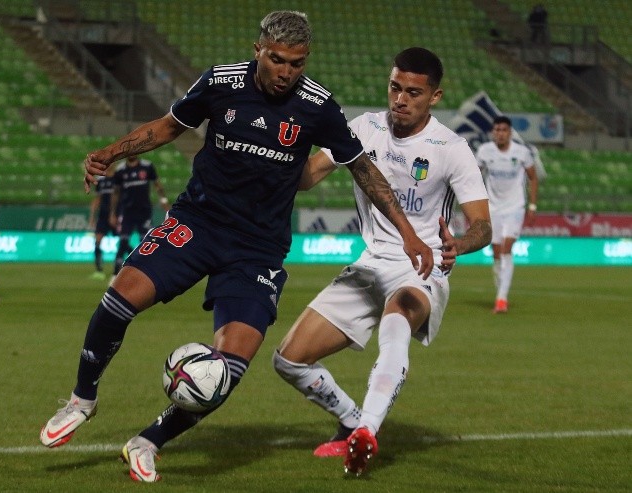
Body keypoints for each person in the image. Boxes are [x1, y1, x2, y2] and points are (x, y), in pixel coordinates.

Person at [39, 11, 434, 483]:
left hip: (258, 249)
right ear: (258, 50)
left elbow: (363, 169)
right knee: (121, 297)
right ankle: (82, 399)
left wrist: (408, 232)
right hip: (198, 222)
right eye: (277, 60)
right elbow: (168, 127)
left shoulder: (318, 105)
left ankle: (148, 442)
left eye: (297, 63)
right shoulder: (221, 81)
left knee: (230, 366)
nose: (286, 72)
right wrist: (111, 153)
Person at [273, 47, 491, 476]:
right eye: (395, 88)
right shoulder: (363, 129)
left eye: (413, 92)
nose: (400, 99)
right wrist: (286, 140)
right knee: (289, 359)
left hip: (421, 267)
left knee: (396, 327)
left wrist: (459, 245)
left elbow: (483, 225)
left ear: (435, 96)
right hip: (370, 264)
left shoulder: (452, 148)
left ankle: (366, 432)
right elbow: (306, 178)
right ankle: (351, 420)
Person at [475, 116, 538, 314]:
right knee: (496, 253)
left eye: (503, 130)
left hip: (515, 207)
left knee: (506, 249)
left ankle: (501, 299)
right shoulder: (485, 151)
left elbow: (533, 177)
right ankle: (500, 292)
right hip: (493, 208)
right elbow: (474, 175)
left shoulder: (521, 152)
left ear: (510, 133)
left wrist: (532, 205)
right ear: (492, 132)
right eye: (497, 130)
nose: (500, 133)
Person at [109, 155, 171, 282]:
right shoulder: (120, 170)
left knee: (147, 243)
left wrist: (163, 200)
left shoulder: (147, 166)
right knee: (123, 242)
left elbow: (157, 184)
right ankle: (115, 275)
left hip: (144, 212)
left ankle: (149, 273)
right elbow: (116, 192)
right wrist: (113, 213)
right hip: (127, 213)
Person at [87, 171, 115, 280]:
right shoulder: (100, 181)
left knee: (124, 241)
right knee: (97, 242)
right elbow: (97, 199)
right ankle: (99, 270)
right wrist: (92, 216)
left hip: (116, 215)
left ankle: (131, 265)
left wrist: (115, 213)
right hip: (103, 216)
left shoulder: (118, 177)